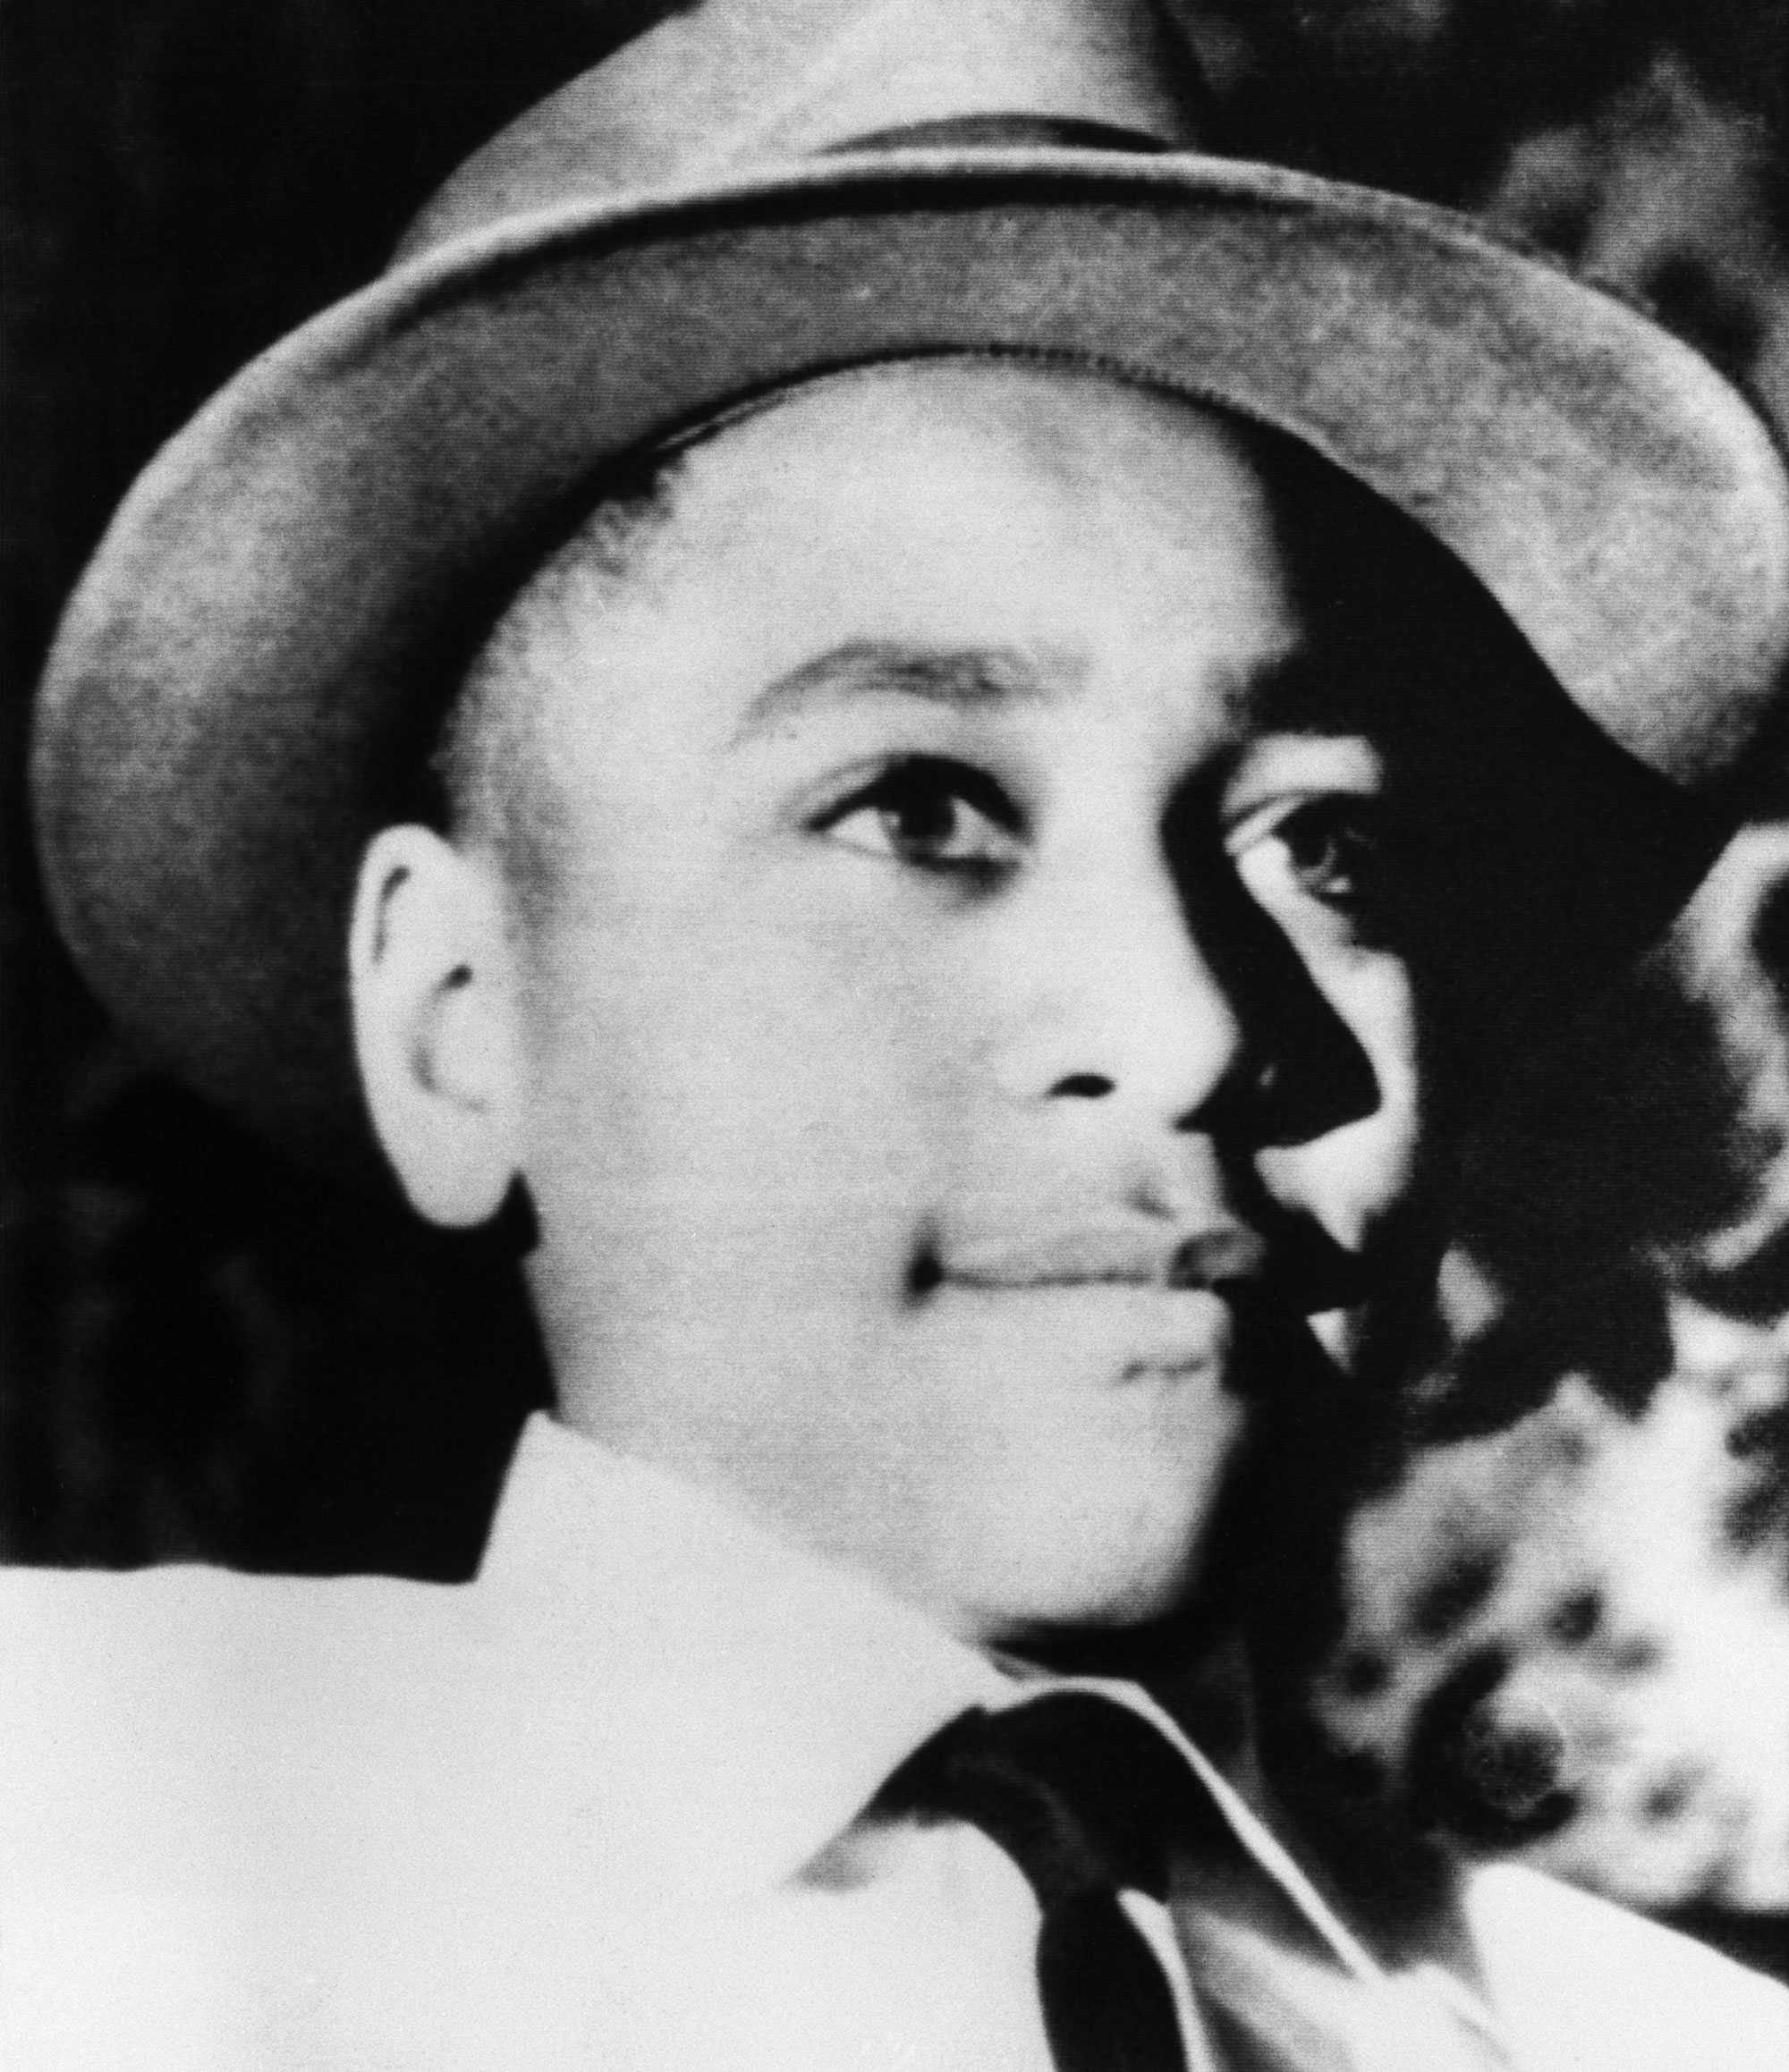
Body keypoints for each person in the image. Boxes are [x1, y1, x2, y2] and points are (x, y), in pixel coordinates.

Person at [6, 2, 1789, 2066]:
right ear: (456, 1012)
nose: (1192, 1023)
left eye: (1324, 846)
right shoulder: (68, 1840)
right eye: (918, 806)